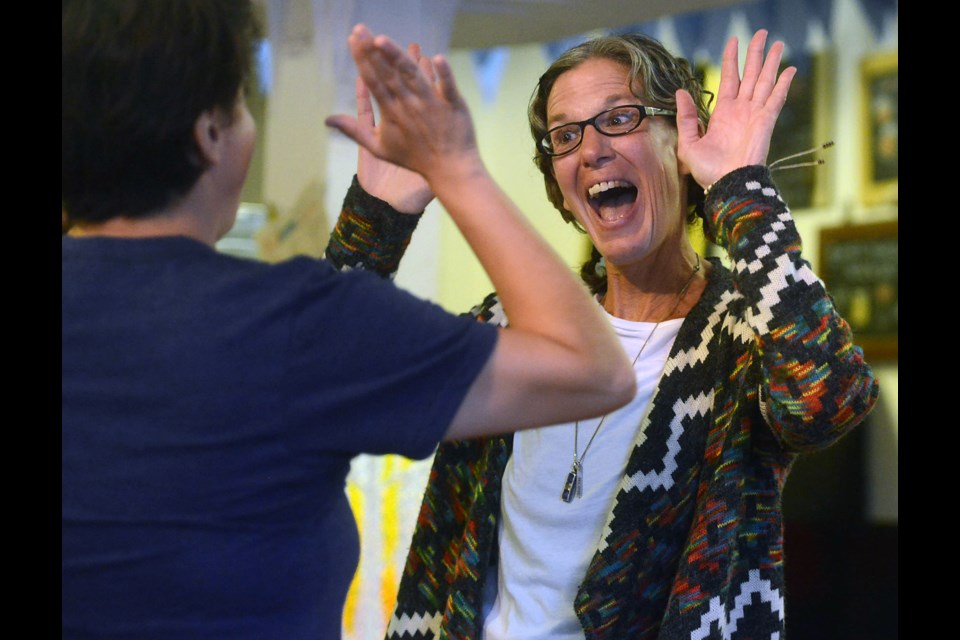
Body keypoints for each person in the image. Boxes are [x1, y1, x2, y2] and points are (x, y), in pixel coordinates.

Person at [61, 2, 637, 638]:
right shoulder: (293, 325)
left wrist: (379, 213)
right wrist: (455, 167)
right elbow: (593, 370)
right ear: (210, 135)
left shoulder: (301, 326)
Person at [326, 29, 880, 640]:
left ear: (684, 143)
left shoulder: (741, 339)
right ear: (559, 185)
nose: (590, 149)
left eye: (619, 118)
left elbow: (831, 400)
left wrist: (740, 187)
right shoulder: (515, 330)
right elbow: (326, 380)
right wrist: (378, 216)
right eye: (566, 135)